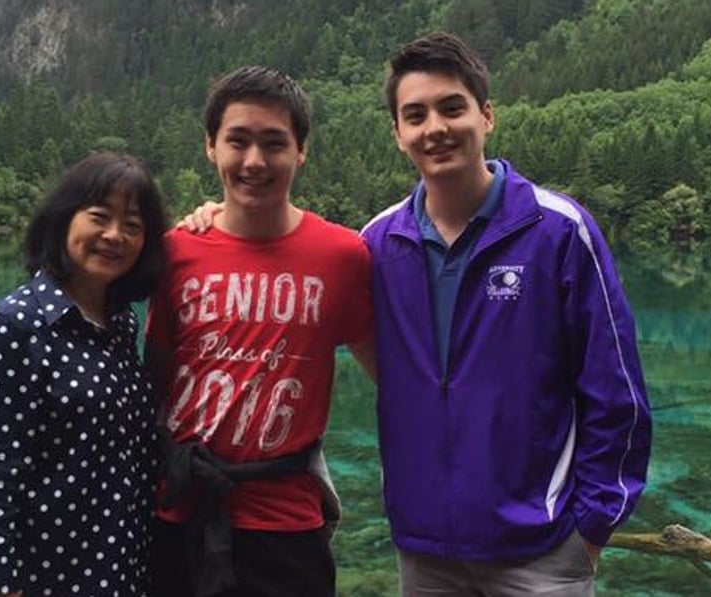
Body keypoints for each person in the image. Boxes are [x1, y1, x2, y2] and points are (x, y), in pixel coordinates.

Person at [358, 32, 652, 596]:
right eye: (414, 115)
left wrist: (592, 527)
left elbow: (617, 392)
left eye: (452, 107)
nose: (435, 128)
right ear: (398, 134)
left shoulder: (558, 230)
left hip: (541, 553)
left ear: (486, 115)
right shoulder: (377, 244)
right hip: (424, 553)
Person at [144, 65, 373, 597]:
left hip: (285, 524)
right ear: (209, 146)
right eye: (237, 141)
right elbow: (153, 378)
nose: (254, 161)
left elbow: (394, 374)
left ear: (301, 151)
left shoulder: (342, 255)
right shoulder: (175, 250)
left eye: (273, 143)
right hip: (177, 508)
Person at [0, 152, 169, 597]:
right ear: (63, 219)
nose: (114, 235)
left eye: (132, 225)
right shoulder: (15, 326)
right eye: (99, 217)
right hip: (49, 578)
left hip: (122, 569)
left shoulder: (119, 323)